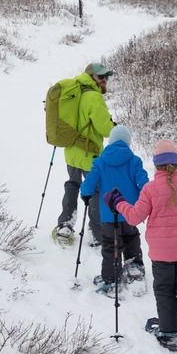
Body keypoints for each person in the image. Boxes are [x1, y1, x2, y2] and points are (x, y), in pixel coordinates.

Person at [109, 137, 177, 347]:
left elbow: (134, 217)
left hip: (161, 254)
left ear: (156, 163)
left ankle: (167, 330)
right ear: (176, 163)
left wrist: (118, 202)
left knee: (164, 288)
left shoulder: (150, 189)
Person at [77, 124, 146, 295]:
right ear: (128, 143)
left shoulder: (100, 162)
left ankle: (110, 278)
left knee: (110, 245)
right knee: (131, 238)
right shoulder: (135, 161)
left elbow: (88, 185)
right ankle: (134, 270)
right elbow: (144, 184)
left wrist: (85, 194)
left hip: (109, 214)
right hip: (131, 212)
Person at [55, 62, 115, 245]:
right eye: (101, 77)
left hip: (71, 152)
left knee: (73, 185)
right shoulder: (94, 98)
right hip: (90, 156)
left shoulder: (72, 93)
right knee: (96, 192)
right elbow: (105, 129)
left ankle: (65, 224)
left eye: (106, 77)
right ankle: (96, 234)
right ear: (91, 77)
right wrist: (115, 127)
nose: (105, 80)